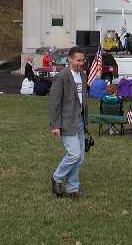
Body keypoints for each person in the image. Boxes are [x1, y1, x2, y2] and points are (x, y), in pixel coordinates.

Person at [48, 46, 88, 198]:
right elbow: (54, 103)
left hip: (80, 122)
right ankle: (57, 177)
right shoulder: (62, 77)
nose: (80, 63)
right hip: (66, 123)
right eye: (78, 60)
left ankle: (72, 188)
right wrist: (55, 125)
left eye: (82, 60)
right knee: (74, 154)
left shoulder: (83, 76)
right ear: (70, 59)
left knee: (80, 158)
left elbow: (81, 100)